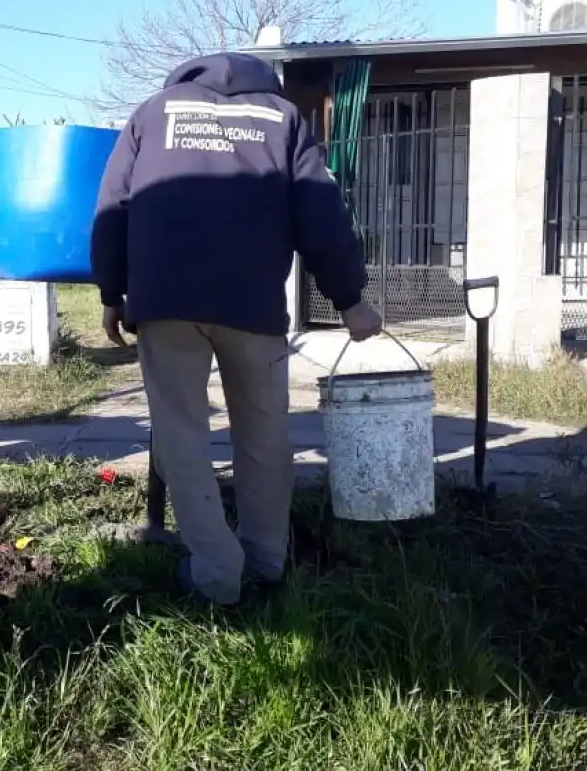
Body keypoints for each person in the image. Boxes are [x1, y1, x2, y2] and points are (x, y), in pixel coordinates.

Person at [90, 51, 382, 605]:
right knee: (265, 437)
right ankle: (267, 562)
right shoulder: (283, 119)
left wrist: (111, 291)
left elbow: (114, 207)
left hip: (166, 301)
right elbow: (320, 210)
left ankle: (217, 572)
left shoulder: (153, 113)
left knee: (180, 436)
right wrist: (349, 299)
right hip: (253, 306)